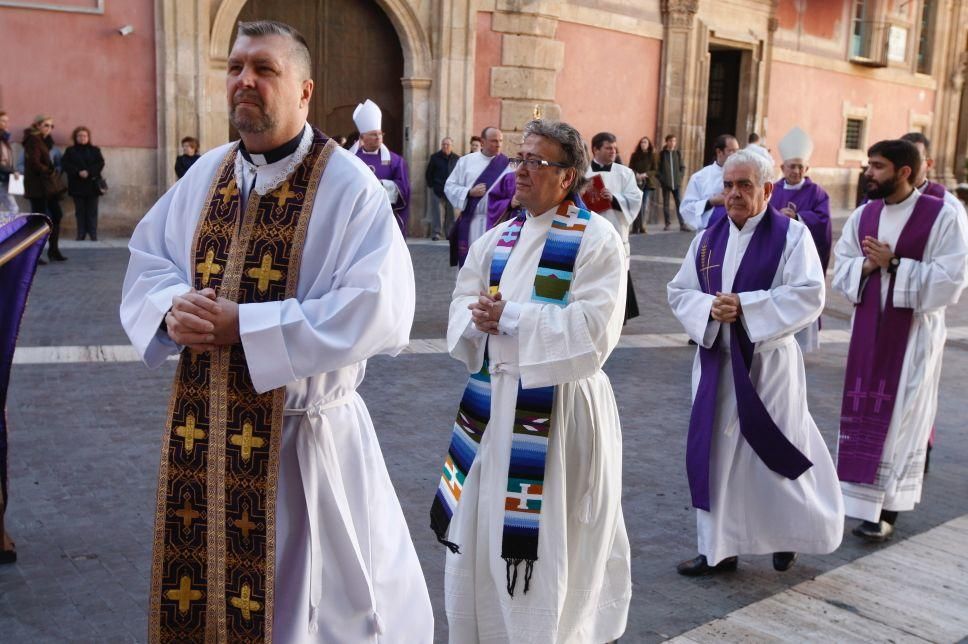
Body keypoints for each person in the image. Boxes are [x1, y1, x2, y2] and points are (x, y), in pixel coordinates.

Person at [119, 20, 433, 641]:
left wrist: (252, 326)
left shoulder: (350, 187)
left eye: (265, 69)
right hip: (204, 435)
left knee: (314, 612)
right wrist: (170, 307)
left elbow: (382, 306)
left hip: (303, 444)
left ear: (305, 90)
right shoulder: (207, 173)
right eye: (236, 67)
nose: (245, 81)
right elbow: (149, 260)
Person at [431, 118, 631, 643]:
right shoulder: (498, 237)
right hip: (492, 409)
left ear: (567, 177)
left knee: (549, 547)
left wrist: (511, 319)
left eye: (534, 162)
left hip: (558, 414)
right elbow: (460, 301)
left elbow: (594, 331)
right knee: (481, 540)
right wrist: (476, 318)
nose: (518, 171)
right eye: (519, 158)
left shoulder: (596, 240)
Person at [667, 148, 843, 576]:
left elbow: (809, 293)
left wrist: (745, 306)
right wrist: (710, 309)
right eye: (728, 185)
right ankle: (717, 549)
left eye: (744, 185)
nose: (734, 194)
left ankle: (788, 535)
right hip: (718, 364)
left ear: (767, 189)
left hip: (768, 366)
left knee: (775, 449)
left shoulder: (791, 235)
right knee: (716, 455)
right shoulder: (707, 238)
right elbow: (679, 292)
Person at [833, 139, 968, 542]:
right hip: (867, 333)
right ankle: (859, 501)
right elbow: (841, 267)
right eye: (868, 165)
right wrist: (868, 266)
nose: (868, 173)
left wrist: (893, 264)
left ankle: (888, 507)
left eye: (877, 166)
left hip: (912, 340)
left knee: (901, 420)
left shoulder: (944, 216)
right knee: (866, 414)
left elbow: (952, 281)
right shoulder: (865, 214)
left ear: (904, 172)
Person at [769, 126, 831, 352]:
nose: (795, 170)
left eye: (799, 166)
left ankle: (801, 345)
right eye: (791, 166)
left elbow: (824, 222)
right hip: (775, 254)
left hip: (804, 254)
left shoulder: (817, 193)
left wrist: (798, 217)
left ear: (807, 168)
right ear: (782, 167)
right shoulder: (772, 190)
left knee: (799, 293)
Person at [584, 131, 643, 322]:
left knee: (616, 272)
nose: (613, 151)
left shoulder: (625, 173)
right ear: (595, 149)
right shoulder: (583, 173)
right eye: (608, 148)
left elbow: (635, 198)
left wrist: (616, 199)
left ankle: (619, 315)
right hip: (588, 232)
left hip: (616, 228)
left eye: (615, 148)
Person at [445, 126, 510, 266]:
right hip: (472, 221)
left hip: (496, 222)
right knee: (470, 263)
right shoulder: (466, 162)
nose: (498, 144)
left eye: (500, 140)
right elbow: (449, 186)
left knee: (490, 264)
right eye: (494, 141)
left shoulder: (507, 166)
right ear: (483, 141)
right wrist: (469, 192)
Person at [349, 99, 411, 236]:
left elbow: (404, 189)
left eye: (380, 134)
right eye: (373, 134)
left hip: (385, 217)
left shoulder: (395, 161)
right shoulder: (351, 160)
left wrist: (380, 186)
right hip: (358, 219)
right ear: (362, 137)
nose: (378, 137)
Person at [900, 132, 968, 227]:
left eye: (914, 160)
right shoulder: (880, 200)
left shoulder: (950, 206)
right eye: (900, 159)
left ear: (929, 164)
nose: (906, 166)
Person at [23, 114, 66, 262]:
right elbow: (34, 163)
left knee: (57, 215)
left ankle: (53, 250)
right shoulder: (33, 139)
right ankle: (35, 254)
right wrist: (49, 170)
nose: (49, 128)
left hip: (48, 187)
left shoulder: (44, 140)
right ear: (37, 125)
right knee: (40, 221)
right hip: (38, 187)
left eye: (51, 126)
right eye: (46, 125)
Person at [680, 134, 739, 231]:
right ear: (719, 152)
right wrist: (711, 202)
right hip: (710, 232)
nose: (736, 155)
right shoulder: (700, 177)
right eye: (731, 151)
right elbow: (686, 209)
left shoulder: (744, 176)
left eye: (737, 151)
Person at [61, 126, 105, 241]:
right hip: (77, 185)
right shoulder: (70, 150)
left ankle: (93, 234)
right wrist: (78, 172)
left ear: (88, 137)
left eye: (85, 136)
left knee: (92, 212)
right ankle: (81, 234)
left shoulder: (95, 150)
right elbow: (65, 164)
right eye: (80, 136)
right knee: (79, 212)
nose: (82, 138)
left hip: (92, 185)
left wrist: (89, 172)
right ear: (75, 137)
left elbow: (100, 163)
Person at [425, 136, 459, 240]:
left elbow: (460, 174)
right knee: (437, 213)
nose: (445, 146)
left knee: (451, 214)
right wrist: (432, 185)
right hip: (437, 189)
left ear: (451, 146)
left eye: (447, 144)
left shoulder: (457, 159)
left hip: (451, 190)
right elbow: (428, 173)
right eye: (443, 144)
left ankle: (449, 233)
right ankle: (436, 233)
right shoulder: (435, 157)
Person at [658, 134, 687, 231]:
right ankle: (667, 223)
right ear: (666, 142)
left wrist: (679, 178)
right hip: (666, 183)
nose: (672, 143)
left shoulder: (677, 153)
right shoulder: (662, 154)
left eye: (674, 141)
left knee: (679, 203)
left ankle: (682, 224)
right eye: (670, 141)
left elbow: (682, 167)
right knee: (666, 204)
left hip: (676, 183)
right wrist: (662, 179)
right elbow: (658, 169)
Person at [629, 136, 658, 234]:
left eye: (645, 142)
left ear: (648, 144)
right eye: (642, 142)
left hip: (647, 183)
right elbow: (630, 168)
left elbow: (655, 170)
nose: (643, 144)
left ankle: (642, 226)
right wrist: (636, 174)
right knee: (636, 204)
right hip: (636, 182)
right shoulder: (635, 155)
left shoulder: (652, 155)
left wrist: (646, 174)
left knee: (643, 205)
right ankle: (635, 227)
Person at [0, 111, 19, 213]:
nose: (6, 124)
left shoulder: (4, 140)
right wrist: (12, 171)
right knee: (14, 208)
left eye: (7, 121)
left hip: (4, 177)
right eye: (3, 121)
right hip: (2, 178)